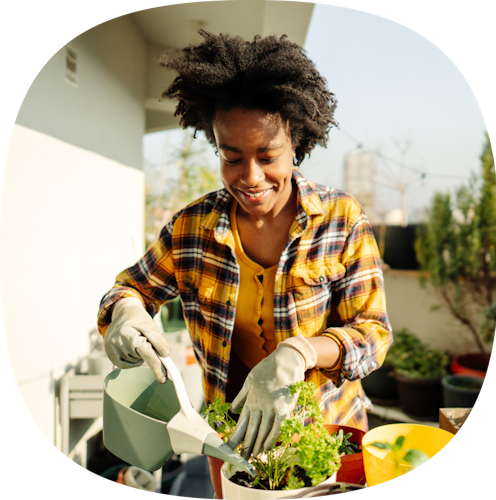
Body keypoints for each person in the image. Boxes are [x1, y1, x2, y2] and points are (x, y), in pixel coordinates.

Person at [97, 30, 392, 461]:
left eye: (268, 156)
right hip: (233, 445)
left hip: (324, 440)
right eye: (231, 157)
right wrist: (124, 312)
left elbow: (374, 333)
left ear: (296, 143)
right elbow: (131, 289)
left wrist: (300, 352)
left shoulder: (340, 219)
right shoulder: (191, 229)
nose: (251, 177)